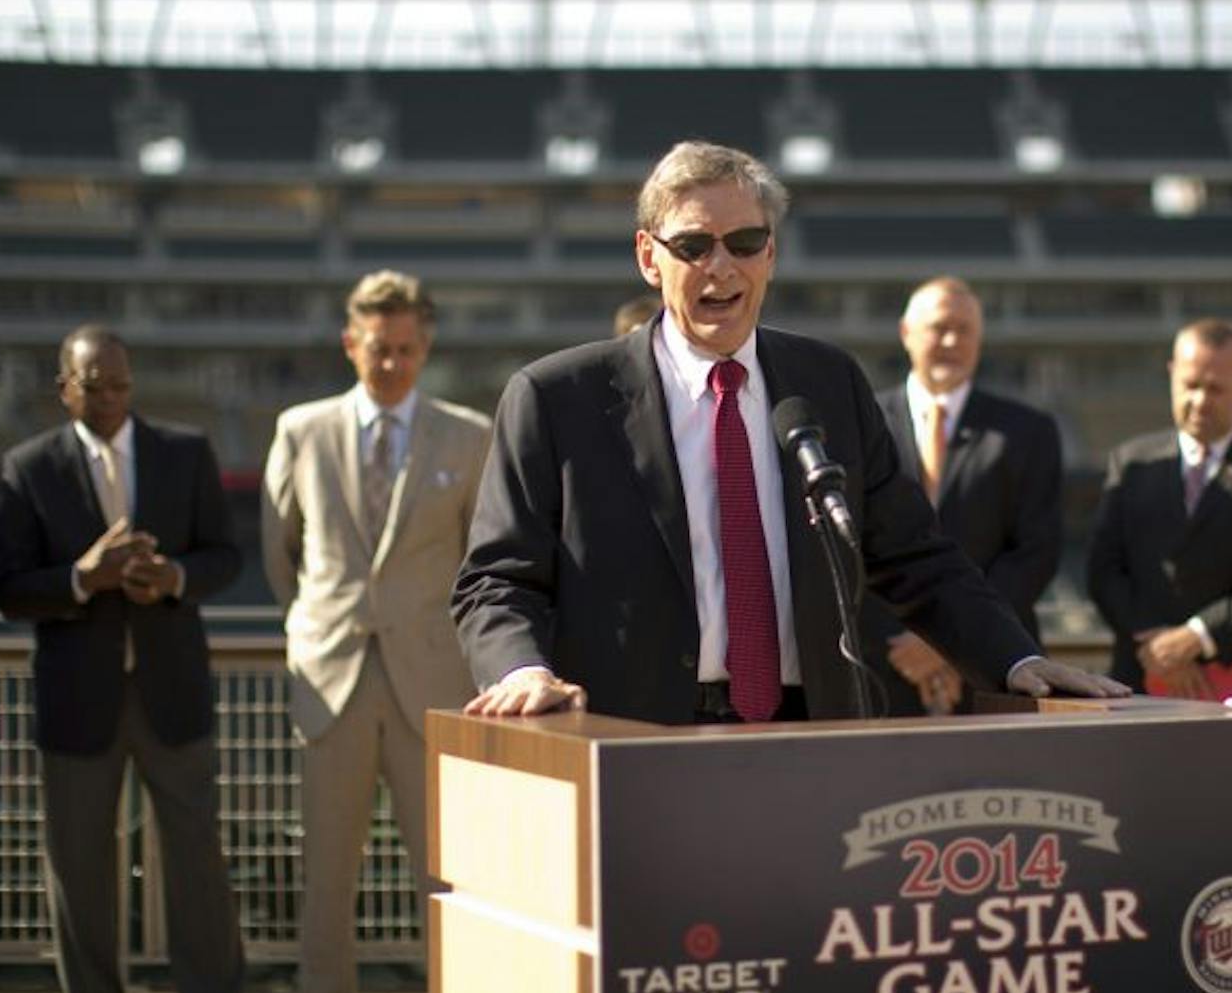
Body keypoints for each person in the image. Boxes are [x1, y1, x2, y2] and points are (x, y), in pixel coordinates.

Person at [455, 139, 1121, 723]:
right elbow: (497, 579)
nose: (722, 266)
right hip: (631, 739)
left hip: (808, 735)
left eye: (744, 242)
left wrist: (1015, 657)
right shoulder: (554, 399)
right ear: (648, 258)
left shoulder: (828, 383)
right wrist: (522, 671)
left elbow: (916, 557)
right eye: (693, 245)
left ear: (770, 253)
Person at [0, 326, 255, 993]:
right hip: (79, 700)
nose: (108, 397)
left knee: (199, 866)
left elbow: (223, 557)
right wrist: (82, 577)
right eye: (92, 384)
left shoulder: (184, 451)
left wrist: (169, 577)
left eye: (119, 384)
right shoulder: (28, 467)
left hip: (172, 692)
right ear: (63, 387)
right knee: (78, 868)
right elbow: (9, 588)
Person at [260, 272, 490, 993]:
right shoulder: (301, 429)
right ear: (349, 343)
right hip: (332, 684)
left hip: (433, 685)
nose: (390, 362)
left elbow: (479, 566)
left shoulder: (468, 436)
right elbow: (279, 550)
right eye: (376, 348)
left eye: (404, 348)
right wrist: (315, 628)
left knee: (448, 880)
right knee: (327, 875)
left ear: (424, 345)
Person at [861, 276, 1062, 713]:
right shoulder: (860, 422)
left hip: (996, 670)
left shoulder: (1028, 432)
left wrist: (952, 640)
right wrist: (904, 643)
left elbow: (1036, 553)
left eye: (965, 330)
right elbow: (845, 544)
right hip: (881, 669)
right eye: (938, 328)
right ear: (906, 333)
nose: (951, 340)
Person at [1085, 320, 1232, 698]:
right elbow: (1103, 570)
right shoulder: (1130, 463)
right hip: (1138, 678)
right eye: (1191, 385)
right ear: (1172, 374)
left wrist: (1198, 636)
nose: (1200, 400)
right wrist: (1157, 646)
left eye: (1215, 389)